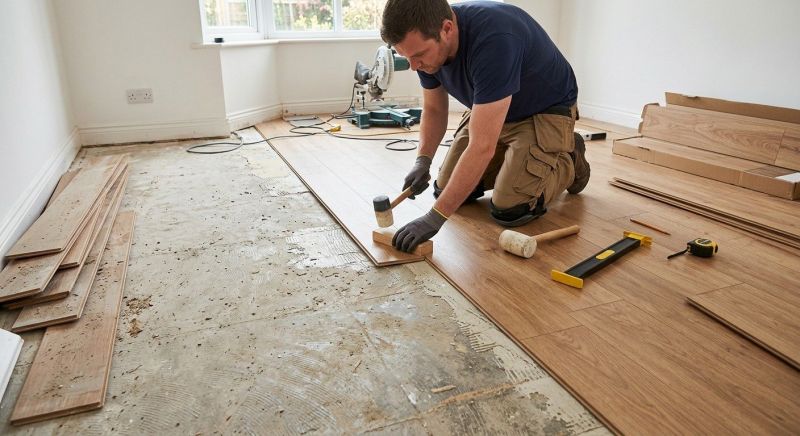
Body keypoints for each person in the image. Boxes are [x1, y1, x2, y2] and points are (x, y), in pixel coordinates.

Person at [380, 0, 590, 253]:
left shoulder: (495, 39)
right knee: (445, 189)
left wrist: (434, 218)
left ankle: (569, 156)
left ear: (447, 29)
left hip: (542, 112)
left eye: (418, 56)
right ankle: (517, 162)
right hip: (491, 110)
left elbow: (481, 146)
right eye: (406, 57)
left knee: (510, 208)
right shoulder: (425, 45)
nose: (414, 66)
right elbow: (435, 109)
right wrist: (422, 161)